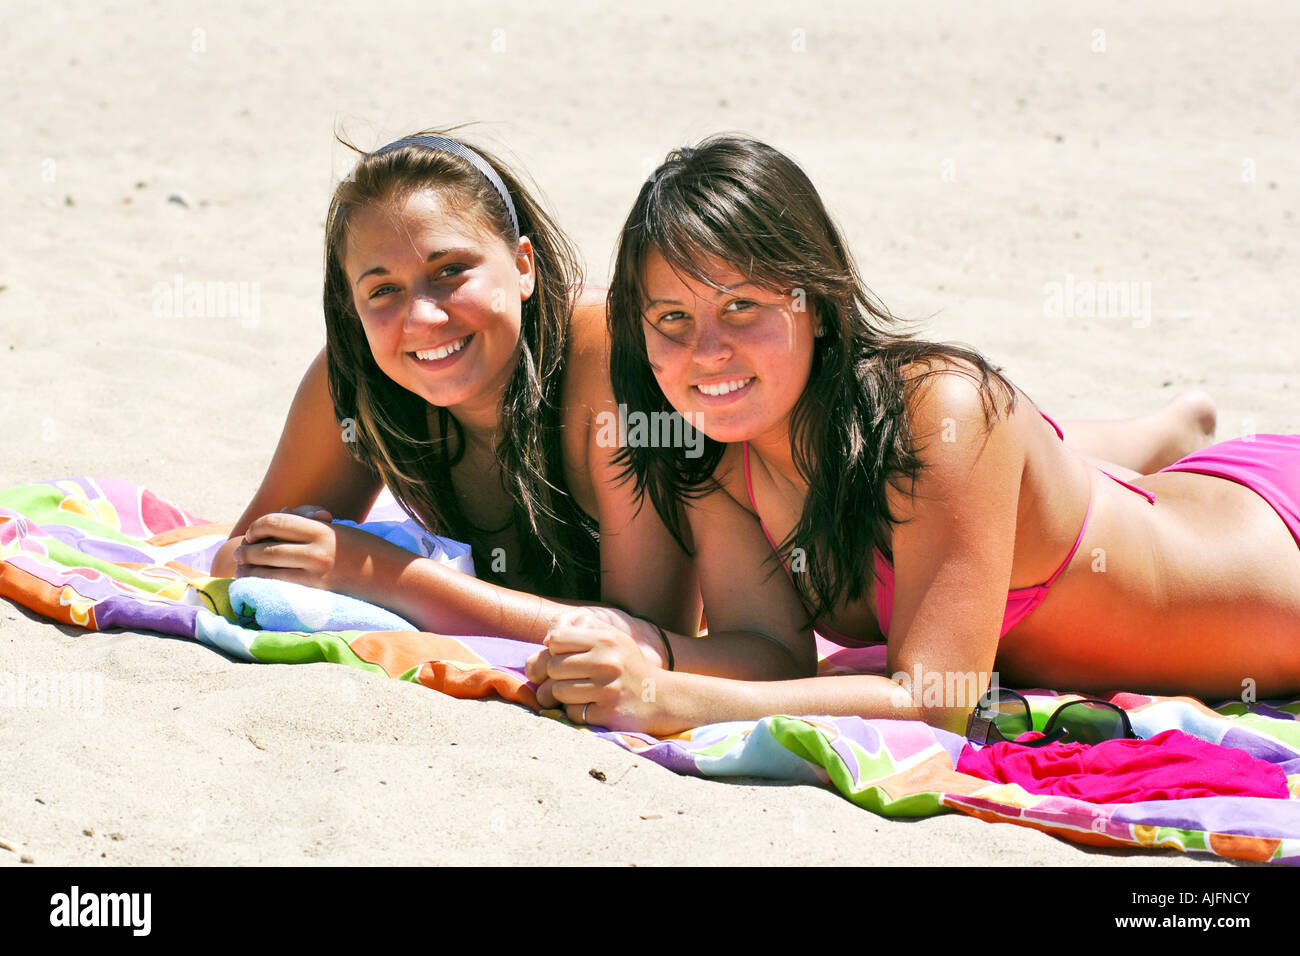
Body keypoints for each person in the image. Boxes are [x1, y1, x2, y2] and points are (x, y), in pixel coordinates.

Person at [526, 134, 1299, 736]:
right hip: (1164, 509)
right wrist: (631, 658)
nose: (706, 354)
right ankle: (1156, 435)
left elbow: (935, 705)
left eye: (741, 309)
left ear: (819, 303)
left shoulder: (941, 411)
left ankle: (1150, 439)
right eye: (671, 319)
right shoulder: (723, 452)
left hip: (1273, 548)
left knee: (973, 439)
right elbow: (769, 652)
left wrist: (664, 694)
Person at [209, 130, 701, 649]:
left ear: (522, 266)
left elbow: (656, 634)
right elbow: (231, 559)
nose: (422, 318)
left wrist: (380, 574)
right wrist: (292, 552)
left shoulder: (610, 357)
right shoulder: (358, 379)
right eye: (383, 291)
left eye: (450, 271)